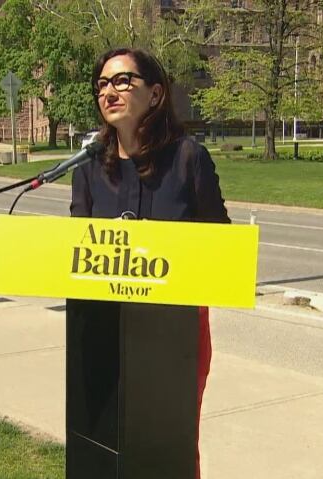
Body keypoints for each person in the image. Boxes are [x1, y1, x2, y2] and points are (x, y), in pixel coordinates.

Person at [70, 47, 230, 478]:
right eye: (102, 84)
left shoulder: (187, 159)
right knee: (105, 439)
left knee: (169, 445)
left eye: (123, 81)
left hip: (173, 330)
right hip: (104, 326)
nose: (109, 92)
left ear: (156, 94)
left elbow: (220, 246)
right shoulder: (86, 170)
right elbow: (75, 252)